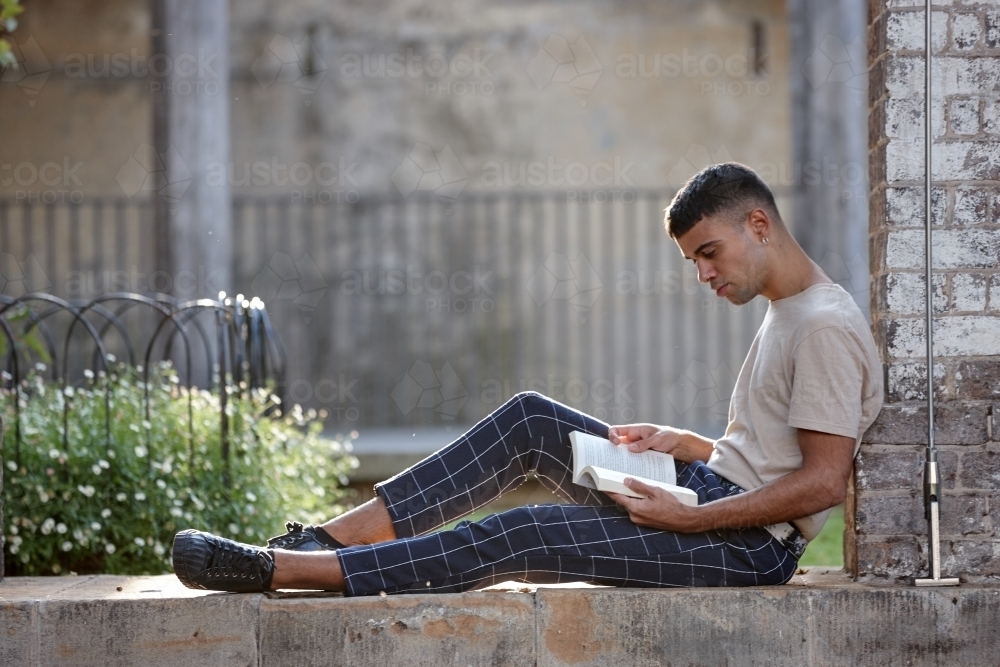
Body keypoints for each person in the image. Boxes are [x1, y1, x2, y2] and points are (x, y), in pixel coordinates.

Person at [171, 162, 883, 595]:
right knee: (530, 419)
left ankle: (289, 572)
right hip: (707, 491)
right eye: (694, 260)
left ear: (758, 223)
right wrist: (691, 446)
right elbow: (770, 451)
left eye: (708, 253)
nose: (703, 274)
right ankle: (326, 539)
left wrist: (691, 516)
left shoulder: (822, 324)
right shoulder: (787, 308)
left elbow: (822, 484)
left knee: (525, 532)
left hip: (745, 545)